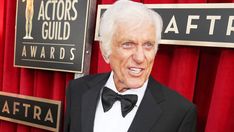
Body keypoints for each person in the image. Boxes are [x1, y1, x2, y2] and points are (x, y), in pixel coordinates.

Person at [64, 0, 197, 132]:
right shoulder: (77, 90)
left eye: (148, 45)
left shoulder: (180, 113)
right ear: (105, 50)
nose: (140, 58)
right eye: (128, 44)